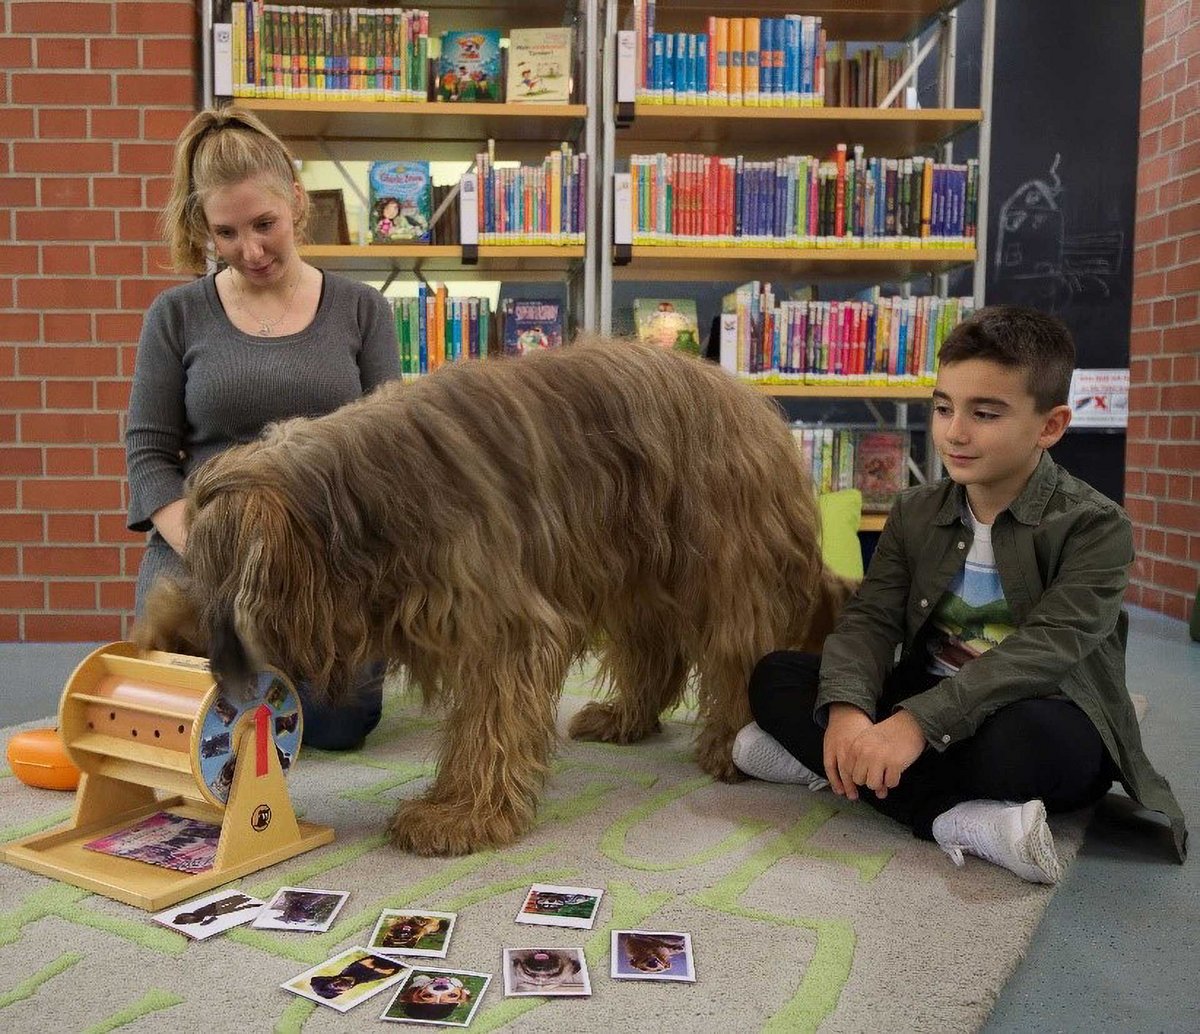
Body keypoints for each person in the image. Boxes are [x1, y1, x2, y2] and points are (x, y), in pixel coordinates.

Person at [734, 305, 1187, 882]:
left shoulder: (1096, 526)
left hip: (1039, 708)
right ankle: (956, 816)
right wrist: (849, 713)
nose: (955, 432)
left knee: (1029, 749)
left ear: (1049, 426)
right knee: (775, 675)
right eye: (944, 407)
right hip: (927, 690)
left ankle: (835, 772)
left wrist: (914, 726)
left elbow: (1048, 649)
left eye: (986, 413)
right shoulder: (915, 510)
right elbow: (871, 620)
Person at [125, 106, 400, 750]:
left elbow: (390, 452)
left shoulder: (363, 311)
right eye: (226, 232)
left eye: (264, 224)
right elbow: (148, 454)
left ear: (297, 204)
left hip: (330, 560)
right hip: (205, 556)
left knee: (335, 725)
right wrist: (215, 549)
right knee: (199, 725)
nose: (250, 250)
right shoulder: (177, 315)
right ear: (204, 229)